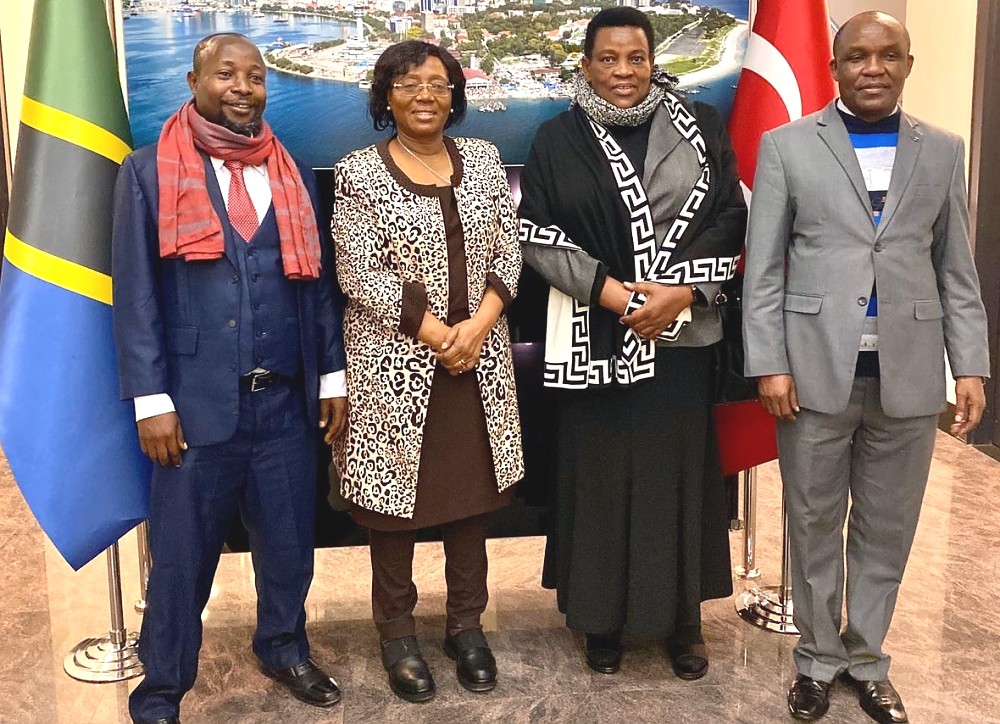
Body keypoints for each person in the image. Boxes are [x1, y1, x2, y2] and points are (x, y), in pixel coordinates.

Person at [742, 12, 990, 724]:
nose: (872, 67)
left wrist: (969, 365)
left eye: (887, 55)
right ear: (835, 65)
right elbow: (763, 271)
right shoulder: (788, 145)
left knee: (887, 528)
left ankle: (867, 657)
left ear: (907, 63)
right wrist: (771, 363)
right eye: (857, 56)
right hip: (813, 372)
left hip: (908, 376)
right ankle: (817, 661)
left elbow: (956, 269)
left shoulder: (942, 150)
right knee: (815, 522)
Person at [112, 33, 347, 724]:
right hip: (193, 407)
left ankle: (283, 646)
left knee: (288, 544)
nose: (243, 87)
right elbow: (136, 295)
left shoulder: (294, 172)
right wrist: (150, 399)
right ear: (194, 80)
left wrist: (330, 377)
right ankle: (161, 688)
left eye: (255, 76)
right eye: (226, 74)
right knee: (182, 561)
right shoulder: (147, 172)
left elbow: (318, 290)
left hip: (284, 404)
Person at [518, 7, 745, 679]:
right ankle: (600, 620)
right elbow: (535, 232)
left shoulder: (700, 126)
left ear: (653, 60)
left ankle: (681, 624)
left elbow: (731, 213)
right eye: (609, 59)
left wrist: (681, 292)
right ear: (585, 64)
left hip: (681, 337)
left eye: (636, 58)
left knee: (677, 482)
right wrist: (614, 295)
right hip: (596, 333)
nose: (623, 72)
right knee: (600, 480)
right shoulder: (557, 137)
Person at [331, 40, 523, 703]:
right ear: (386, 95)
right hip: (395, 365)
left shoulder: (487, 161)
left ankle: (467, 625)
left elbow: (508, 248)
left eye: (438, 84)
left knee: (471, 499)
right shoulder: (359, 171)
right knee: (394, 508)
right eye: (408, 83)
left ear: (455, 94)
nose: (424, 95)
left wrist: (477, 327)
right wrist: (440, 334)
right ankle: (397, 633)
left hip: (479, 360)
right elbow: (357, 270)